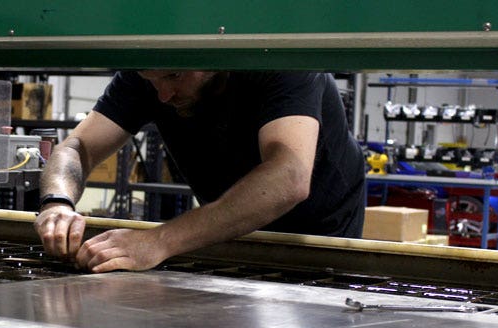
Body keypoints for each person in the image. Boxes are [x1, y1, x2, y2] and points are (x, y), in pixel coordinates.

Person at [34, 70, 365, 273]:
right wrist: (57, 201)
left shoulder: (282, 63)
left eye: (175, 76)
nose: (163, 95)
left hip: (317, 242)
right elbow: (76, 148)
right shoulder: (150, 78)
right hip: (226, 233)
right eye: (153, 80)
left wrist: (158, 241)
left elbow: (289, 176)